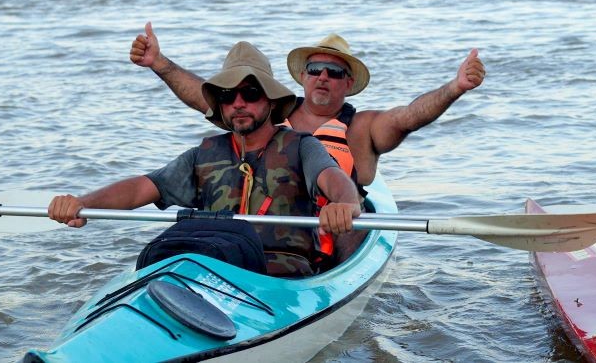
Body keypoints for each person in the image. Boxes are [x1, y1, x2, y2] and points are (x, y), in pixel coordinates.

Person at [129, 24, 485, 260]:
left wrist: (455, 88)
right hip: (271, 228)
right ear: (302, 76)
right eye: (315, 70)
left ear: (348, 83)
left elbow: (409, 116)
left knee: (348, 230)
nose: (323, 77)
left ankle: (333, 290)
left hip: (336, 225)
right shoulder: (268, 113)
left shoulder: (363, 127)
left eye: (335, 72)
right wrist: (159, 63)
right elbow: (205, 97)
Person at [49, 40, 362, 276]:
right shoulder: (204, 154)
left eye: (250, 93)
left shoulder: (302, 146)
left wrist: (346, 203)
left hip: (280, 273)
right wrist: (83, 203)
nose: (238, 103)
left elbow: (334, 179)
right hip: (213, 266)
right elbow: (141, 188)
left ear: (270, 100)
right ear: (221, 105)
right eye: (227, 96)